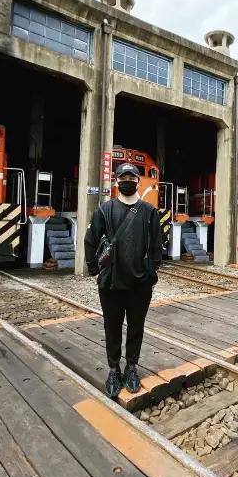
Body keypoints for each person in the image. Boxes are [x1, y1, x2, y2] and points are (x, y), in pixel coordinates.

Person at [84, 162, 163, 398]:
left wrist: (151, 271)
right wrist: (94, 270)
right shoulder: (104, 210)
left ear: (139, 181)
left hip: (141, 284)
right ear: (116, 181)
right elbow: (90, 240)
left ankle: (131, 367)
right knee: (112, 326)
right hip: (111, 283)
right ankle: (113, 369)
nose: (127, 180)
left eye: (132, 177)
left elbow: (157, 246)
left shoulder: (150, 212)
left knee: (136, 327)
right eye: (123, 177)